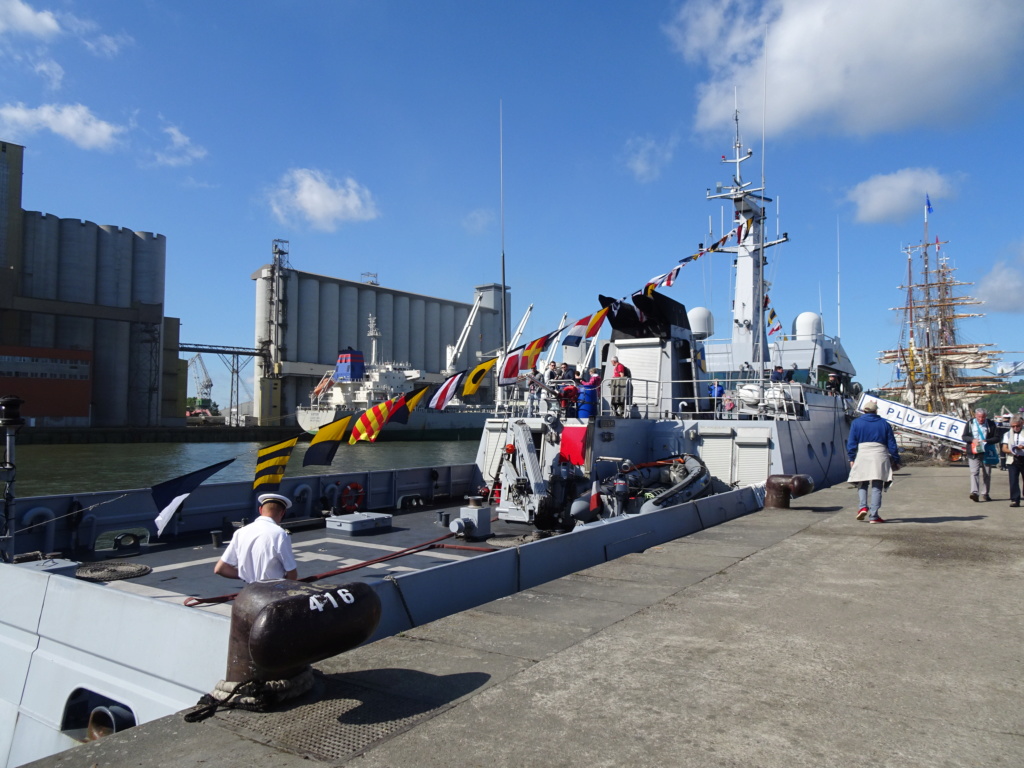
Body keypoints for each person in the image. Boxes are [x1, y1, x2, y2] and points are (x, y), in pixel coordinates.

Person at [214, 493, 299, 582]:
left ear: (260, 510)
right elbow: (292, 573)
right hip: (272, 591)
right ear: (282, 512)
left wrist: (247, 576)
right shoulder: (280, 534)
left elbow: (220, 569)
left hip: (250, 592)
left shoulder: (240, 532)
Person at [847, 400, 901, 523]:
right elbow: (892, 444)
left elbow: (851, 443)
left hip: (863, 454)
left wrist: (851, 458)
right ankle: (874, 516)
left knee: (862, 483)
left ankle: (862, 507)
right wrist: (896, 459)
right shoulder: (884, 424)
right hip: (879, 455)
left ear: (864, 411)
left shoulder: (856, 423)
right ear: (876, 411)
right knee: (877, 485)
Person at [965, 407, 1000, 502]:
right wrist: (972, 440)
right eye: (979, 417)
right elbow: (964, 436)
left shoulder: (991, 424)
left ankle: (985, 493)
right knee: (974, 472)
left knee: (987, 473)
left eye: (983, 417)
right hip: (973, 451)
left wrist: (986, 440)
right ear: (975, 416)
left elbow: (997, 438)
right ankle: (974, 493)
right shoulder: (970, 423)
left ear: (986, 416)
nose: (981, 419)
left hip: (987, 451)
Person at [1001, 414, 1024, 507]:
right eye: (1013, 426)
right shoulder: (1007, 434)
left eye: (1017, 426)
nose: (1015, 428)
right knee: (1013, 480)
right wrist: (1011, 450)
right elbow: (1004, 448)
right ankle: (1015, 499)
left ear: (1021, 424)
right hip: (1013, 459)